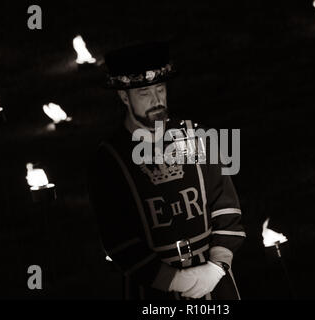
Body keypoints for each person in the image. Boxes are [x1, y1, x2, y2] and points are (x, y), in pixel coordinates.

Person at [89, 42, 246, 300]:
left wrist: (217, 268)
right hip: (152, 291)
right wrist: (173, 280)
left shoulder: (200, 138)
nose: (156, 100)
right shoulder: (109, 160)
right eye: (144, 93)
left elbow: (226, 208)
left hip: (215, 284)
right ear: (123, 96)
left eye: (160, 89)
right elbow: (118, 238)